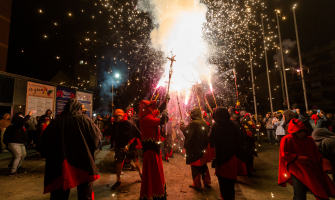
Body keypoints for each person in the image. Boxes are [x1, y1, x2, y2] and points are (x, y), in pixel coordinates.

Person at [36, 99, 101, 200]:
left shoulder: (55, 122)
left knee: (59, 194)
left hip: (59, 163)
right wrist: (87, 150)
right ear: (79, 109)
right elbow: (95, 138)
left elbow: (42, 144)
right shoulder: (84, 120)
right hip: (83, 161)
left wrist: (52, 156)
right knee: (85, 193)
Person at [278, 118, 335, 200]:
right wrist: (302, 159)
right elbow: (285, 155)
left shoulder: (309, 139)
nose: (302, 133)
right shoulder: (287, 139)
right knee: (299, 194)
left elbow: (316, 153)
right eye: (300, 131)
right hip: (297, 170)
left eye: (304, 131)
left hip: (312, 168)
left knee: (319, 189)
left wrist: (325, 164)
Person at [210, 107, 245, 200]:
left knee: (223, 182)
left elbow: (210, 139)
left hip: (222, 158)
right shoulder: (233, 125)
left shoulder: (216, 126)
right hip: (233, 157)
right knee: (231, 182)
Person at [139, 97, 169, 200]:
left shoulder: (147, 115)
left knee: (156, 171)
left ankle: (156, 191)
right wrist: (165, 115)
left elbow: (158, 111)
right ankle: (154, 193)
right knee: (154, 173)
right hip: (151, 151)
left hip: (154, 149)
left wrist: (165, 102)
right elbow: (162, 121)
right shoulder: (146, 119)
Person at [106, 109, 142, 190]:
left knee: (135, 162)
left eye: (116, 116)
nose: (114, 117)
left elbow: (133, 135)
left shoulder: (128, 124)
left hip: (130, 146)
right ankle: (118, 180)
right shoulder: (115, 124)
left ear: (121, 116)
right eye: (114, 116)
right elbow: (115, 134)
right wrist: (115, 144)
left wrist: (128, 145)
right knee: (118, 163)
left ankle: (141, 173)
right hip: (119, 146)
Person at [180, 107, 213, 190]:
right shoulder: (204, 122)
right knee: (203, 165)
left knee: (195, 166)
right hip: (203, 148)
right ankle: (207, 181)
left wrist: (182, 126)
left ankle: (197, 184)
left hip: (194, 149)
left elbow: (187, 133)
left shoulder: (193, 123)